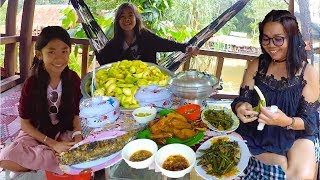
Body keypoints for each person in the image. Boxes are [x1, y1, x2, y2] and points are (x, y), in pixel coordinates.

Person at [231, 10, 319, 179]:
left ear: (292, 39)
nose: (271, 45)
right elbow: (243, 99)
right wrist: (241, 107)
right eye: (266, 38)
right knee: (226, 149)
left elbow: (309, 122)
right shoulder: (256, 65)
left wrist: (285, 121)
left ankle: (275, 160)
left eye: (278, 39)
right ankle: (273, 160)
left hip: (293, 132)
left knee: (299, 175)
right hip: (256, 130)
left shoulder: (308, 73)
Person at [0, 26, 83, 177]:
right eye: (51, 52)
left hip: (64, 130)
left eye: (64, 51)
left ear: (69, 52)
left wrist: (78, 136)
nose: (59, 58)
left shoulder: (74, 79)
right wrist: (53, 145)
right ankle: (57, 159)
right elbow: (25, 124)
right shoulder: (31, 83)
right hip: (37, 133)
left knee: (83, 145)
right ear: (39, 54)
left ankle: (48, 159)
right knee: (6, 157)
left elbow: (76, 113)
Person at [96, 2, 198, 65]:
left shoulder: (147, 37)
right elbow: (102, 58)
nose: (126, 19)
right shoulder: (114, 43)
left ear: (136, 19)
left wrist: (187, 48)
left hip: (148, 84)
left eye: (130, 15)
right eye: (122, 16)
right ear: (118, 21)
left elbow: (166, 44)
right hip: (124, 87)